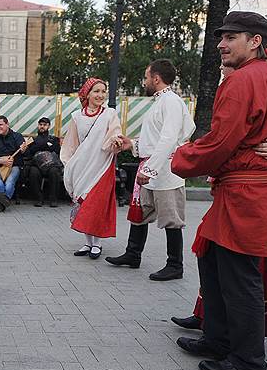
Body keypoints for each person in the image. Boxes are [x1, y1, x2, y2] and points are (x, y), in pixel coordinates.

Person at [171, 11, 267, 370]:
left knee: (240, 274)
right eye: (221, 37)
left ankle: (248, 361)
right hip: (253, 189)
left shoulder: (241, 81)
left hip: (247, 191)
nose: (221, 44)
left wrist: (178, 160)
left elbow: (220, 140)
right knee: (212, 258)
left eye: (231, 37)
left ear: (255, 41)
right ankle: (217, 337)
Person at [106, 59, 196, 281]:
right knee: (141, 214)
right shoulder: (160, 102)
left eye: (146, 77)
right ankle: (132, 254)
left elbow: (168, 139)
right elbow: (154, 139)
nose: (145, 81)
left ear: (156, 78)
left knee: (171, 218)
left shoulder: (172, 102)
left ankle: (175, 265)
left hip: (165, 171)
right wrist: (132, 145)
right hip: (152, 167)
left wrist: (152, 169)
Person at [60, 78, 122, 259]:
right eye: (96, 91)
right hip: (82, 167)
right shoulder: (76, 117)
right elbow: (71, 144)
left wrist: (116, 140)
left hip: (101, 166)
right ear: (87, 94)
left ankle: (98, 244)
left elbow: (115, 133)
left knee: (96, 204)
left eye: (103, 91)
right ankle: (88, 243)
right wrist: (68, 164)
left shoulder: (110, 114)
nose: (100, 95)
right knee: (83, 203)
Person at [0, 115, 28, 212]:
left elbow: (26, 154)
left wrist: (23, 150)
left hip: (14, 166)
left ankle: (0, 202)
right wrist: (0, 160)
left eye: (0, 124)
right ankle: (4, 201)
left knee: (10, 181)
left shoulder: (17, 137)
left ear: (7, 124)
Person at [23, 116, 62, 207]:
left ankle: (53, 199)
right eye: (40, 124)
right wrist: (46, 145)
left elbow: (56, 150)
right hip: (36, 164)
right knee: (33, 172)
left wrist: (39, 146)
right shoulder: (32, 140)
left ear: (49, 126)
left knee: (54, 172)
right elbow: (29, 153)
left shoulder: (54, 139)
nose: (42, 126)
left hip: (51, 164)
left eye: (45, 125)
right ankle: (38, 198)